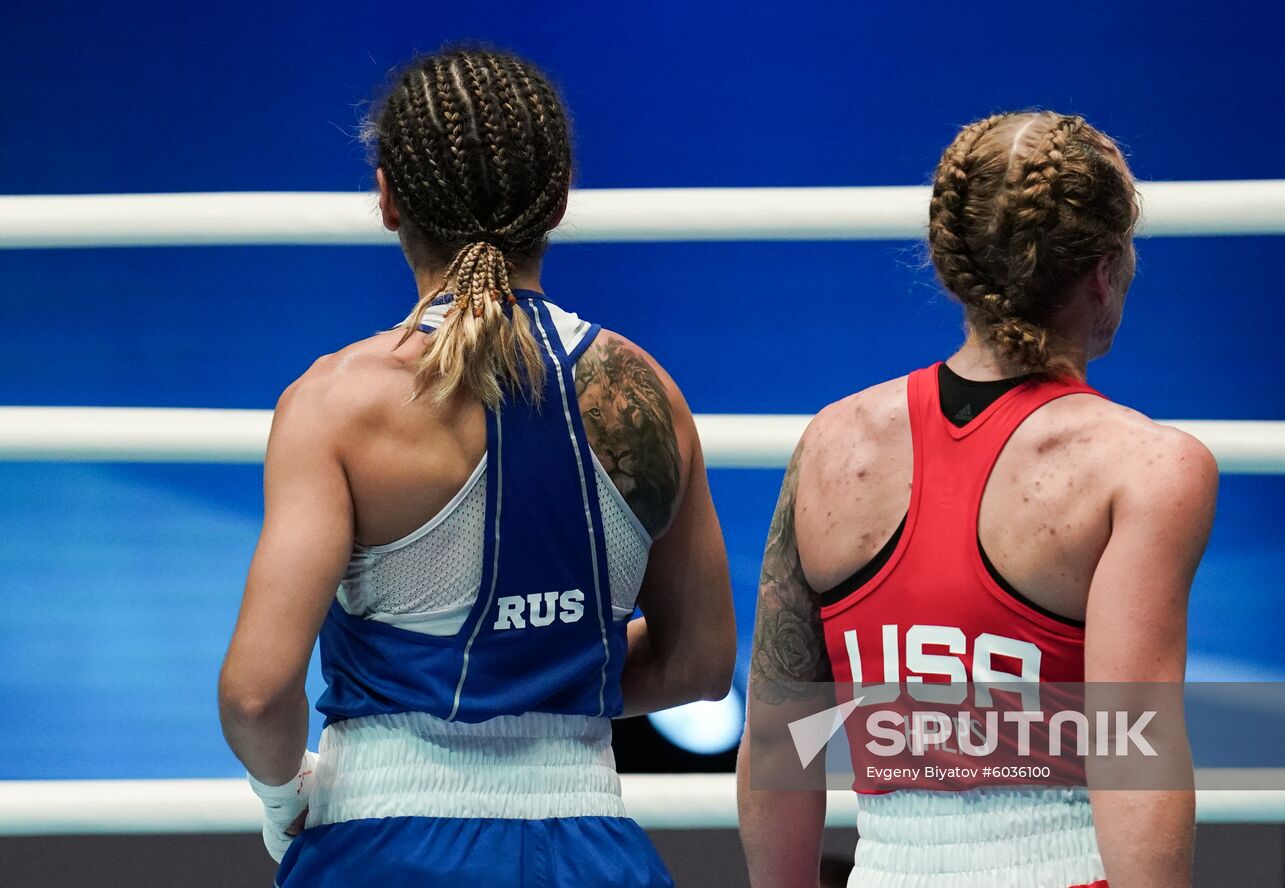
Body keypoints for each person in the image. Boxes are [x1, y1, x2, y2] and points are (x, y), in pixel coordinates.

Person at [218, 46, 735, 887]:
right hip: (596, 849)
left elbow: (254, 694)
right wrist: (550, 671)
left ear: (387, 198)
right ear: (559, 199)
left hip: (384, 846)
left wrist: (285, 806)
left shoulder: (339, 403)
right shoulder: (646, 394)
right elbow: (702, 663)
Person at [738, 112, 1217, 887]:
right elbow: (1132, 751)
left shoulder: (832, 445)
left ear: (948, 260)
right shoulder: (1148, 467)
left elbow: (777, 741)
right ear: (1103, 268)